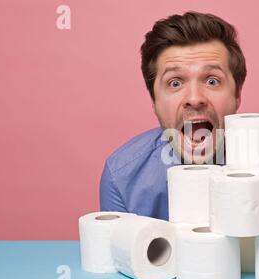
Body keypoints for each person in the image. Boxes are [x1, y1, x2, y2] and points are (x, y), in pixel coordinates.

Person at [99, 11, 247, 219]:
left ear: (237, 94)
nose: (195, 99)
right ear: (154, 101)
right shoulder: (122, 177)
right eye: (175, 83)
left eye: (212, 81)